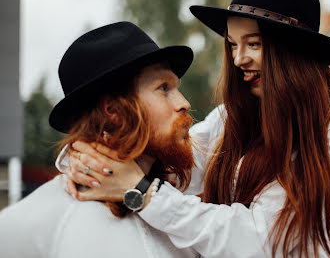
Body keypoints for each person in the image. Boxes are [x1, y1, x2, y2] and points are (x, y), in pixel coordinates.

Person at [62, 0, 330, 258]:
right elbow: (173, 163)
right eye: (232, 44)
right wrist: (90, 159)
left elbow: (262, 241)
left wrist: (143, 192)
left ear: (291, 52)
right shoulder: (229, 119)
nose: (238, 58)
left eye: (252, 44)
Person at [0, 21, 199, 258]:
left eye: (177, 87)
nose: (184, 103)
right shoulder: (35, 223)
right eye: (164, 88)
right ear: (113, 110)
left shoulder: (182, 220)